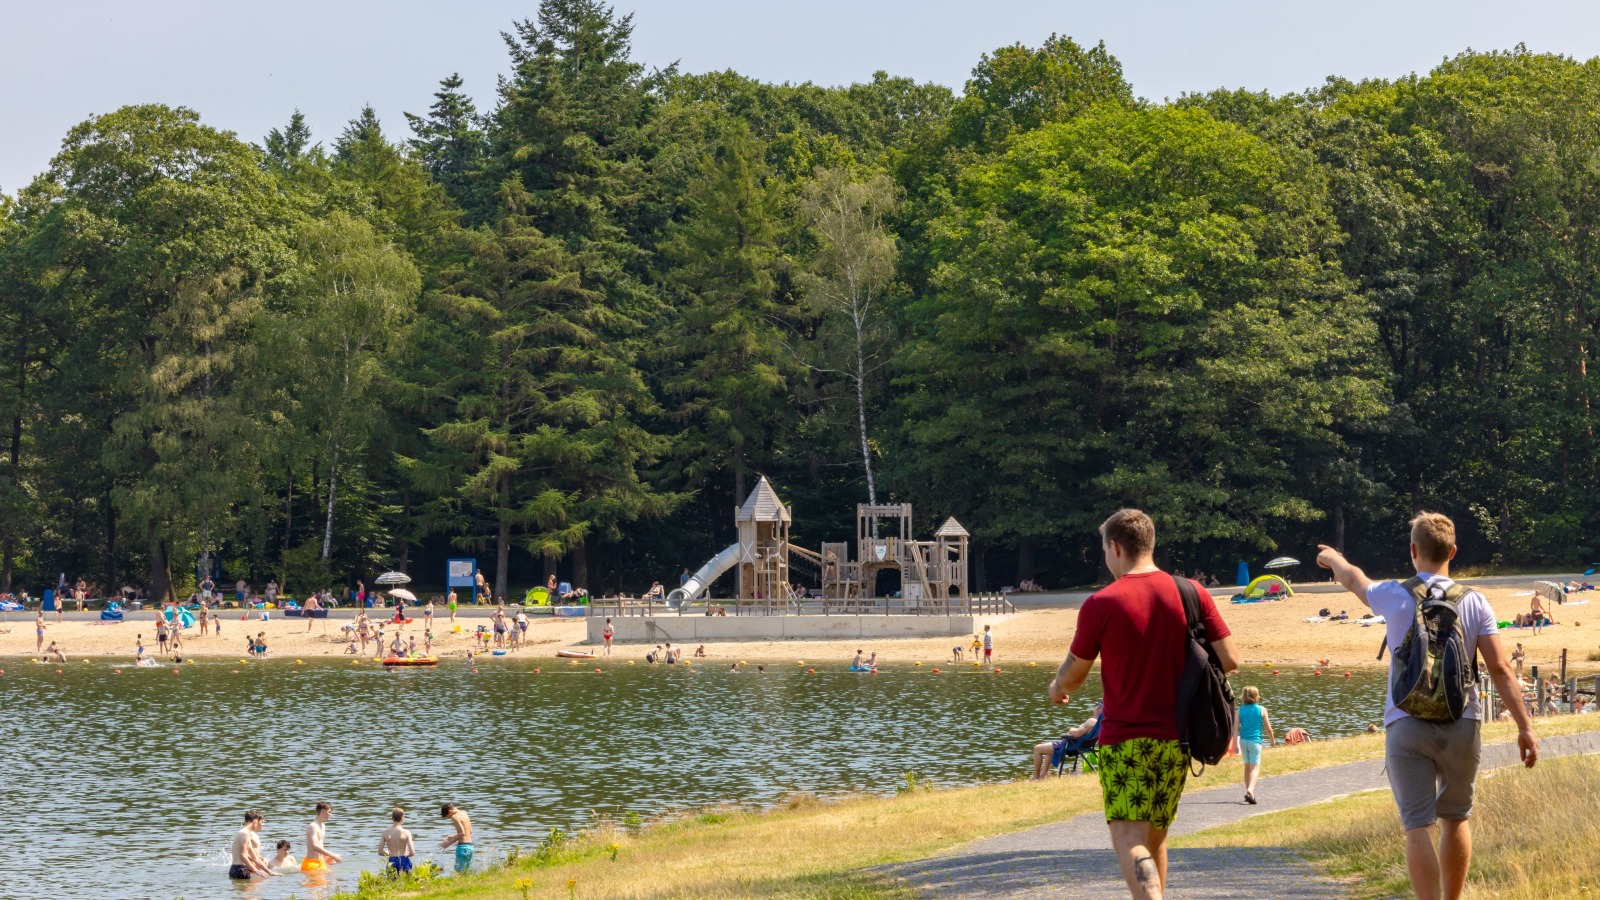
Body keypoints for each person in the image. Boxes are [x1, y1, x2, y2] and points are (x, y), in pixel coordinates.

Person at [1317, 512, 1537, 900]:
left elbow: (1353, 578)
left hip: (1406, 724)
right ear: (1453, 552)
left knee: (1418, 826)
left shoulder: (1394, 593)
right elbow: (1501, 669)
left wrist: (1334, 558)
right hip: (1461, 722)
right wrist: (1525, 727)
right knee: (1456, 818)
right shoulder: (1475, 602)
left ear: (1413, 550)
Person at [1049, 509, 1239, 900]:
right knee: (1156, 838)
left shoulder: (1102, 603)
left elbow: (1072, 677)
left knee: (1129, 837)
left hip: (1125, 742)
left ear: (1115, 547)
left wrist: (1056, 686)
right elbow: (1231, 660)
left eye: (1104, 549)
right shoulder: (1191, 592)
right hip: (1177, 740)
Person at [1033, 700, 1104, 780]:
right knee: (1048, 749)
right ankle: (1042, 776)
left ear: (1098, 707)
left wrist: (1071, 729)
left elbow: (1077, 733)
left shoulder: (1092, 721)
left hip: (1071, 746)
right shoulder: (1101, 723)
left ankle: (1035, 778)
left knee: (1037, 748)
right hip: (1082, 746)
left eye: (1095, 705)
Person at [1234, 685, 1277, 804]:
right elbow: (1268, 728)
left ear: (1243, 696)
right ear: (1256, 696)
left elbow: (1235, 729)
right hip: (1255, 742)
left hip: (1243, 742)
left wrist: (1235, 744)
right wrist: (1272, 741)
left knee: (1247, 767)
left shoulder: (1239, 710)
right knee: (1255, 768)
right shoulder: (1261, 709)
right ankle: (1251, 789)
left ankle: (1249, 794)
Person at [229, 810, 275, 879]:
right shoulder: (244, 833)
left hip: (237, 869)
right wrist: (256, 870)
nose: (262, 824)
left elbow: (255, 858)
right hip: (240, 869)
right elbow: (243, 856)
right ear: (255, 821)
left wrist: (269, 872)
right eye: (260, 821)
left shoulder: (245, 833)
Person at [303, 801, 342, 871]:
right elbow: (314, 846)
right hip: (311, 863)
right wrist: (332, 855)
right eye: (329, 812)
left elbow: (320, 846)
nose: (330, 815)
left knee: (332, 876)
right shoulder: (313, 826)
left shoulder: (323, 826)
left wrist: (326, 858)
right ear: (323, 811)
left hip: (321, 862)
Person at [378, 807, 415, 876]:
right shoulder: (406, 833)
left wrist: (388, 853)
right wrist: (405, 854)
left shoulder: (385, 832)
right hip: (404, 860)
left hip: (391, 861)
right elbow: (412, 852)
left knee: (392, 881)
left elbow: (380, 852)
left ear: (392, 818)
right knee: (406, 881)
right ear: (402, 818)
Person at [439, 803, 474, 873]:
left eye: (448, 817)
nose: (450, 818)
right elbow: (469, 831)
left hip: (462, 848)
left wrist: (447, 844)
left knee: (459, 872)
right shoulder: (464, 813)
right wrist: (452, 836)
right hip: (470, 847)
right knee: (466, 872)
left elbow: (462, 833)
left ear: (450, 811)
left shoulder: (454, 816)